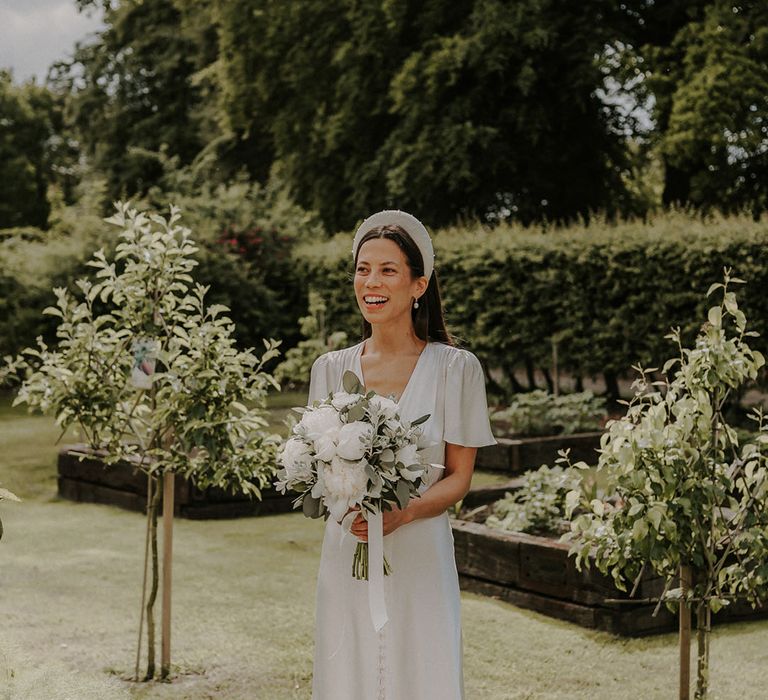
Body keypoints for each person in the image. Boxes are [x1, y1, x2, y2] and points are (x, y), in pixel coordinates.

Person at [308, 210, 496, 700]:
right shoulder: (329, 370)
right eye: (363, 268)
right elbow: (317, 469)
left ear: (419, 285)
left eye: (388, 270)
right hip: (347, 546)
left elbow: (459, 477)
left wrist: (404, 512)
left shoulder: (457, 369)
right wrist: (346, 501)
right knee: (348, 668)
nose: (371, 281)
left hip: (420, 552)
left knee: (423, 667)